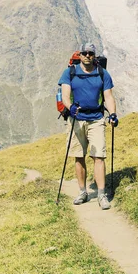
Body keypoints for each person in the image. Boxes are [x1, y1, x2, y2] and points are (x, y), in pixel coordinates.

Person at [59, 42, 118, 209]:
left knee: (98, 155)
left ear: (94, 55)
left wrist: (112, 114)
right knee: (78, 156)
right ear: (79, 55)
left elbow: (108, 96)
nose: (87, 56)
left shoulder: (102, 73)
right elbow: (65, 95)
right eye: (84, 53)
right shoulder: (69, 72)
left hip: (96, 118)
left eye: (90, 53)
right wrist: (70, 107)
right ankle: (82, 192)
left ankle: (101, 194)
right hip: (76, 118)